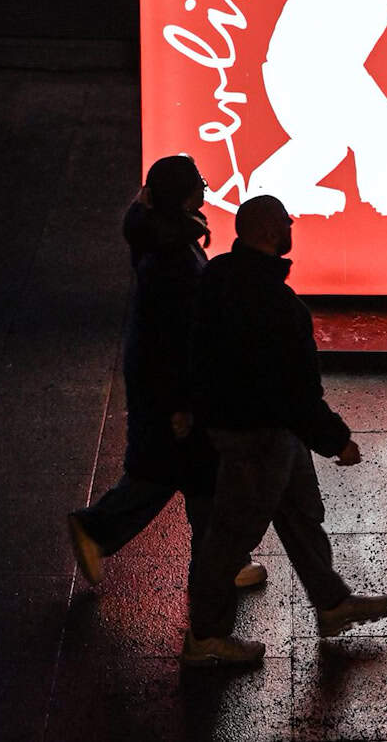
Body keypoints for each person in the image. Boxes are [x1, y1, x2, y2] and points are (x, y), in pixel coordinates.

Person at [181, 195, 387, 667]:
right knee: (230, 539)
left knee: (299, 514)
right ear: (267, 233)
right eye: (284, 221)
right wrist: (336, 439)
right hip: (259, 436)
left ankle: (332, 602)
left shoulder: (216, 276)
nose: (291, 225)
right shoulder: (280, 306)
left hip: (244, 428)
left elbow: (193, 350)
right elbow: (297, 390)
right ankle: (205, 637)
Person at [68, 155, 265, 593]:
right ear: (184, 197)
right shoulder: (175, 259)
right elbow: (177, 338)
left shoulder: (155, 234)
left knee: (177, 473)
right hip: (171, 387)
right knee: (184, 474)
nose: (205, 187)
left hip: (157, 380)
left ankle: (221, 560)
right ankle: (103, 530)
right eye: (199, 182)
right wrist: (184, 402)